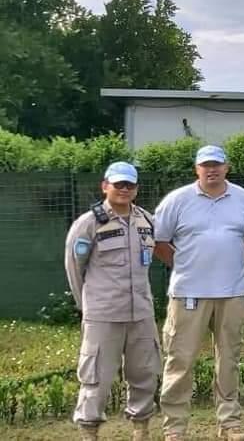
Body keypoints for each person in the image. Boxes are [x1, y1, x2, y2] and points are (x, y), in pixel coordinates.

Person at [153, 145, 244, 441]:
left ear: (227, 167)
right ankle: (175, 428)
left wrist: (229, 255)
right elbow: (159, 242)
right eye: (206, 165)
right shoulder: (177, 200)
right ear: (196, 169)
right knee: (180, 361)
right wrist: (184, 264)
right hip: (188, 293)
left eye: (217, 165)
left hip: (233, 293)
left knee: (229, 360)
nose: (211, 170)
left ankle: (230, 424)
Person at [65, 162, 161, 441]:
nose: (124, 189)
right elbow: (74, 268)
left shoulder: (146, 220)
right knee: (96, 377)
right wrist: (87, 306)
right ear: (105, 186)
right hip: (103, 315)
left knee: (145, 374)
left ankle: (141, 430)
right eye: (118, 184)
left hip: (141, 313)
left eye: (130, 185)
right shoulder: (88, 223)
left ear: (136, 189)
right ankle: (89, 432)